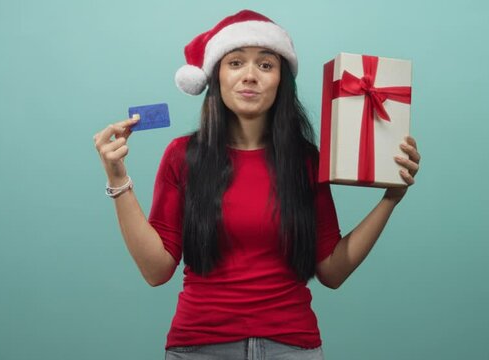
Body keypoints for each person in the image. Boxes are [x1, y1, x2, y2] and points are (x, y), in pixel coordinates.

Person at [93, 9, 420, 360]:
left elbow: (332, 270)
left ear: (282, 81)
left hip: (293, 347)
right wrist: (118, 178)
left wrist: (391, 197)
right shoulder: (182, 156)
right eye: (235, 63)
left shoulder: (306, 160)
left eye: (266, 65)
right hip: (200, 347)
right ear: (216, 75)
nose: (250, 76)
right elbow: (156, 270)